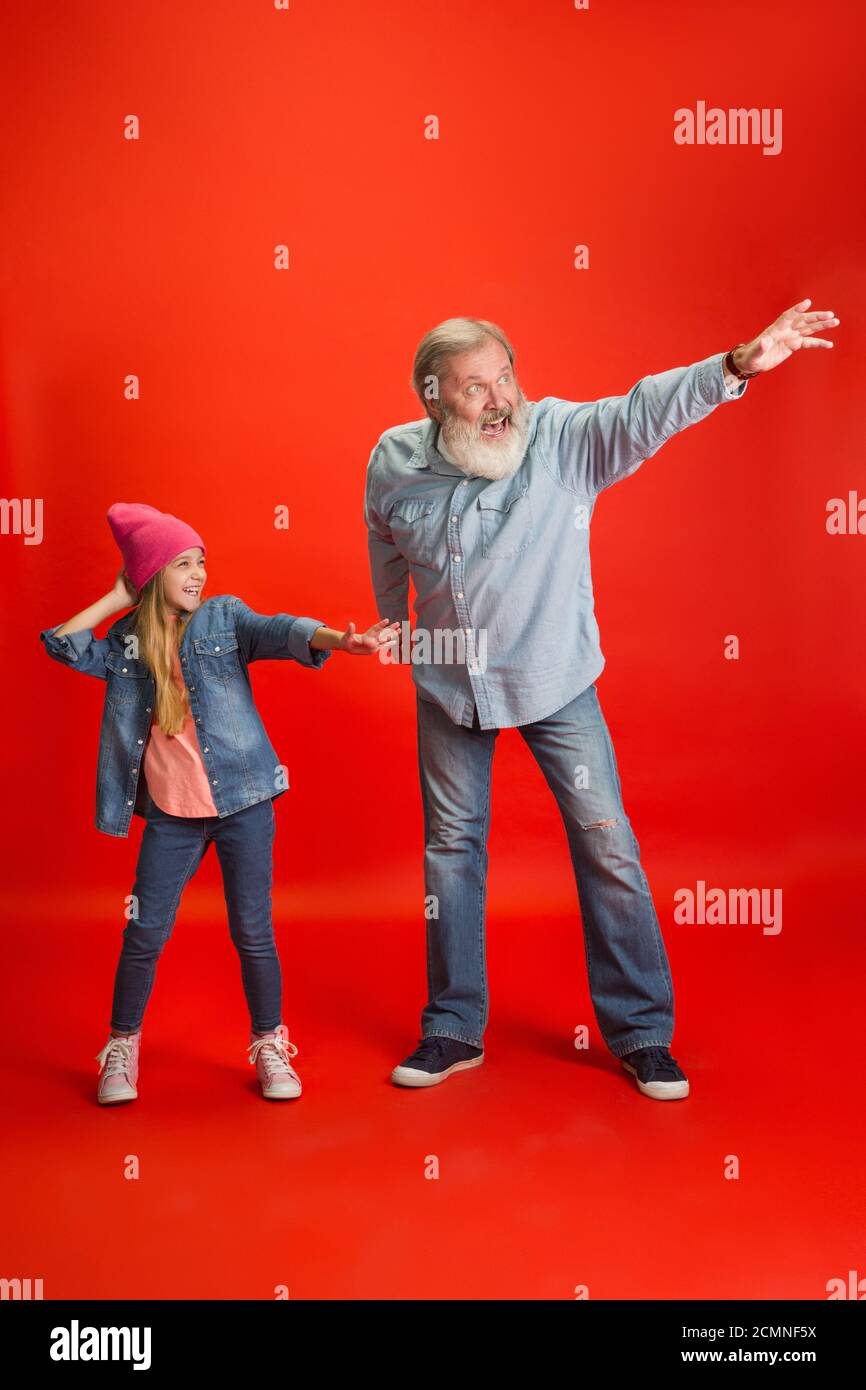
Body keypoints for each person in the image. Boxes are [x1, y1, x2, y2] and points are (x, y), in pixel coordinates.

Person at [364, 300, 838, 1100]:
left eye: (504, 374)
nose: (499, 396)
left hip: (554, 678)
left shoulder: (561, 441)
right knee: (450, 853)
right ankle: (452, 1027)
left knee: (605, 842)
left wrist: (734, 367)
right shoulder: (393, 458)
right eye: (474, 386)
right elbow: (381, 532)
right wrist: (388, 623)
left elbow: (644, 409)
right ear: (432, 398)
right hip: (449, 685)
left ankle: (642, 1032)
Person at [39, 502, 399, 1105]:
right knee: (144, 931)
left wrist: (341, 640)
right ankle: (122, 1046)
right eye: (182, 563)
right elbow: (62, 645)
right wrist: (118, 596)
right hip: (173, 817)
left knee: (252, 929)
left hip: (244, 805)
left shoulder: (223, 619)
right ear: (153, 575)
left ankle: (268, 1042)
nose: (199, 574)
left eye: (201, 561)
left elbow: (280, 629)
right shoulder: (128, 643)